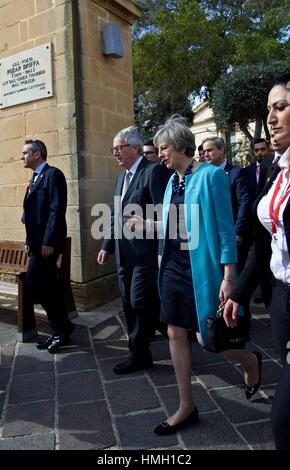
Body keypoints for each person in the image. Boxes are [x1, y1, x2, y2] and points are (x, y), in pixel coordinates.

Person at [148, 115, 261, 436]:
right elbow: (172, 225)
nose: (161, 154)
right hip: (173, 267)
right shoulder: (172, 181)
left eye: (165, 148)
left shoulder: (211, 176)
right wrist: (154, 242)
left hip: (204, 268)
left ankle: (249, 361)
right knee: (174, 332)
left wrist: (229, 277)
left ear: (181, 145)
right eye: (158, 149)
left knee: (207, 337)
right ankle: (186, 406)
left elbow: (226, 230)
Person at [224, 73, 290, 450]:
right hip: (280, 299)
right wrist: (238, 291)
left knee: (282, 422)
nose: (271, 117)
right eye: (269, 109)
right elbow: (261, 246)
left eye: (280, 107)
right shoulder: (273, 170)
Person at [97, 126, 171, 374]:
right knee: (129, 303)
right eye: (114, 149)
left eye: (120, 148)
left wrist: (161, 251)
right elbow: (115, 215)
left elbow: (167, 216)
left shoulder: (153, 172)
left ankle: (140, 352)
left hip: (146, 255)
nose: (116, 153)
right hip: (123, 255)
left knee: (139, 300)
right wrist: (107, 245)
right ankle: (167, 331)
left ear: (135, 148)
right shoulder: (120, 178)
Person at [21, 139, 75, 353]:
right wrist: (28, 241)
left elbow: (56, 210)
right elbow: (30, 216)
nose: (21, 157)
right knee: (45, 286)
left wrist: (49, 241)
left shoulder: (53, 175)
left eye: (25, 153)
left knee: (39, 284)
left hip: (47, 244)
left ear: (37, 154)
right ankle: (62, 328)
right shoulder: (34, 179)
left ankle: (61, 329)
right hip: (35, 244)